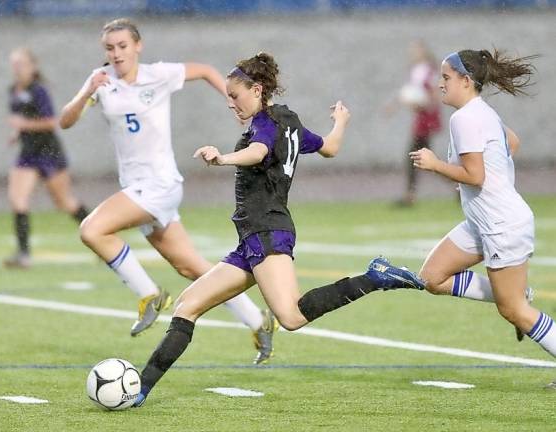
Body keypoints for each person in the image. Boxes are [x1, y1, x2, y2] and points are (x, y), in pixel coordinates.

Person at [133, 52, 426, 407]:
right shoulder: (290, 122)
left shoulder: (266, 124)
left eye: (234, 95)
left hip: (267, 232)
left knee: (290, 315)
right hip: (253, 238)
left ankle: (374, 277)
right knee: (187, 305)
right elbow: (330, 148)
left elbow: (257, 152)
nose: (230, 103)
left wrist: (223, 157)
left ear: (257, 89)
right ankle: (140, 389)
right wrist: (341, 121)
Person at [59, 19, 276, 363]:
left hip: (159, 185)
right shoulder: (100, 81)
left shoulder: (157, 75)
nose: (116, 54)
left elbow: (205, 70)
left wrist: (235, 103)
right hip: (137, 189)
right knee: (193, 268)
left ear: (138, 46)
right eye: (110, 48)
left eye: (122, 46)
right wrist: (88, 91)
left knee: (92, 229)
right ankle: (258, 320)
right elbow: (65, 121)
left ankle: (149, 295)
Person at [410, 49, 555, 389]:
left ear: (466, 81)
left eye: (446, 78)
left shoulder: (466, 118)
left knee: (514, 312)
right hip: (482, 222)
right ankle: (520, 292)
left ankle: (518, 297)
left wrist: (435, 165)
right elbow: (512, 143)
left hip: (502, 225)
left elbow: (475, 176)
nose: (440, 83)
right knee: (432, 277)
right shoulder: (479, 112)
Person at [5, 47, 89, 268]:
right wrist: (16, 134)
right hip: (28, 153)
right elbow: (22, 119)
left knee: (64, 202)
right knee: (17, 199)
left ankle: (99, 233)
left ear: (33, 67)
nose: (17, 69)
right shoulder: (13, 90)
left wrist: (23, 125)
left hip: (48, 152)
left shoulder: (39, 91)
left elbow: (51, 122)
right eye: (14, 64)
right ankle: (23, 254)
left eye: (21, 64)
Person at [388, 40, 442, 206]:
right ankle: (458, 185)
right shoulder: (417, 71)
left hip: (427, 120)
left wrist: (421, 104)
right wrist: (395, 105)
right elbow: (410, 92)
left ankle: (409, 196)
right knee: (421, 157)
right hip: (421, 119)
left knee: (415, 157)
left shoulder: (428, 71)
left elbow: (433, 97)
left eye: (416, 50)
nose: (413, 53)